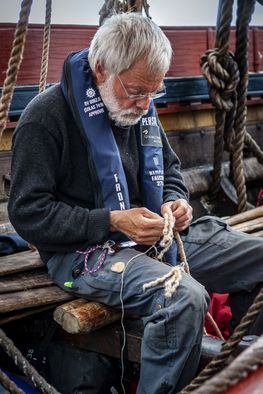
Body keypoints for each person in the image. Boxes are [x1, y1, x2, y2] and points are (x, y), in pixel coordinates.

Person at [8, 12, 263, 394]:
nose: (145, 104)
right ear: (100, 69)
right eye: (136, 91)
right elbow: (29, 215)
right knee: (183, 298)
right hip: (84, 253)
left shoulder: (140, 111)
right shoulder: (43, 119)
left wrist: (176, 203)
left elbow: (173, 173)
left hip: (157, 237)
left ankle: (233, 375)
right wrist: (112, 221)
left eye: (154, 93)